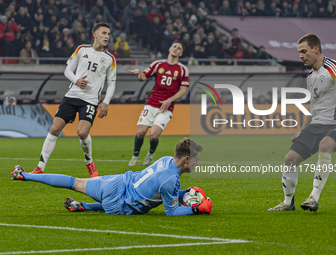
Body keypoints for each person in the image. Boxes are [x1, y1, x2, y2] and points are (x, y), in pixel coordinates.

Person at [12, 138, 213, 216]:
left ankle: (25, 175)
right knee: (120, 205)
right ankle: (85, 206)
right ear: (186, 159)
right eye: (196, 159)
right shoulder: (170, 181)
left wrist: (186, 191)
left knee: (74, 182)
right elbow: (171, 211)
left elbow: (159, 188)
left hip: (118, 182)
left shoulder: (167, 160)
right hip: (119, 201)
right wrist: (196, 209)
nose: (197, 163)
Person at [30, 22, 117, 178]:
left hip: (90, 100)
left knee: (82, 133)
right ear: (95, 35)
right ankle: (40, 167)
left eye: (109, 34)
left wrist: (105, 102)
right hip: (72, 95)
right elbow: (67, 70)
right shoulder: (81, 50)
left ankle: (90, 163)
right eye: (104, 33)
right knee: (55, 129)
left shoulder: (110, 59)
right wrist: (77, 80)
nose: (107, 36)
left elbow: (111, 83)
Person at [268, 33, 336, 212]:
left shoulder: (334, 69)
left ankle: (313, 198)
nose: (300, 56)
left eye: (304, 51)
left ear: (316, 49)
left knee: (325, 145)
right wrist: (302, 129)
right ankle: (287, 202)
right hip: (317, 124)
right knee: (289, 159)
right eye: (299, 52)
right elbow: (312, 107)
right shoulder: (310, 76)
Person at [128, 41, 189, 166]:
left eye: (179, 49)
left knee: (154, 136)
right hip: (151, 102)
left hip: (166, 107)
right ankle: (135, 155)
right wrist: (139, 74)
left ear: (181, 53)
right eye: (174, 47)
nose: (176, 49)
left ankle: (150, 154)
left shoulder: (182, 69)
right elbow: (144, 77)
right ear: (170, 48)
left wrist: (169, 100)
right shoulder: (158, 64)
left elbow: (183, 90)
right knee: (141, 132)